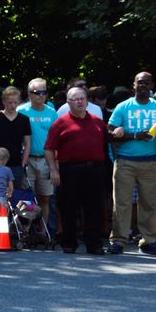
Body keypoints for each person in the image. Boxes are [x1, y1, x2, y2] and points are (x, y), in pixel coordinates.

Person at [107, 71, 156, 254]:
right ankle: (118, 241)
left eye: (146, 83)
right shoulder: (123, 107)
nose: (142, 85)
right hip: (125, 161)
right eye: (139, 82)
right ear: (133, 85)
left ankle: (148, 240)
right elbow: (110, 132)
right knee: (122, 203)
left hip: (150, 162)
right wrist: (135, 135)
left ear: (152, 86)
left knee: (149, 202)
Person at [45, 86, 109, 254]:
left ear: (87, 100)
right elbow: (49, 148)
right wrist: (53, 170)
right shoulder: (60, 123)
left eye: (82, 98)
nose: (80, 101)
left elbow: (104, 145)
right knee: (68, 207)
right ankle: (69, 242)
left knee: (94, 207)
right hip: (70, 170)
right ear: (68, 102)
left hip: (95, 169)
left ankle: (94, 244)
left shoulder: (97, 121)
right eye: (75, 99)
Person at [17, 79, 59, 228]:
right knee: (26, 197)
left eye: (44, 92)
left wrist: (56, 164)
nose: (41, 96)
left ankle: (43, 231)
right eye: (37, 93)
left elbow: (58, 139)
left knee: (45, 198)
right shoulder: (21, 111)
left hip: (46, 161)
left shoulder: (52, 112)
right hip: (27, 160)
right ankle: (26, 231)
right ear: (29, 94)